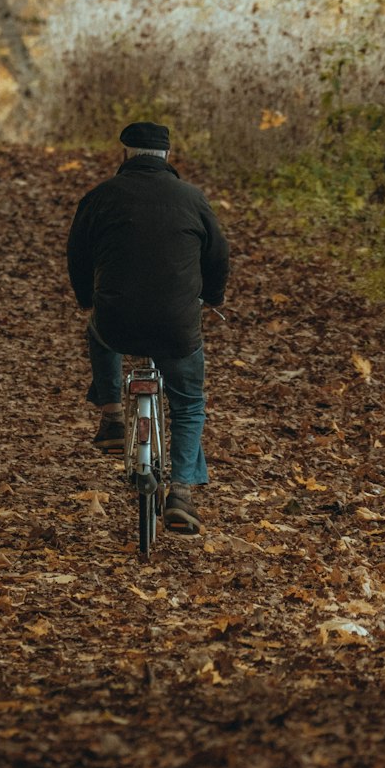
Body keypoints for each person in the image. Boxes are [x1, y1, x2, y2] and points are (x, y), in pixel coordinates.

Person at [66, 121, 229, 536]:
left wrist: (88, 297)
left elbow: (77, 255)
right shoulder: (192, 198)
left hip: (116, 323)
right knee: (189, 403)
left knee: (96, 326)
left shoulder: (100, 197)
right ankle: (182, 493)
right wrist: (212, 297)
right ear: (168, 156)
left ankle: (112, 415)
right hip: (176, 326)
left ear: (125, 154)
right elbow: (218, 255)